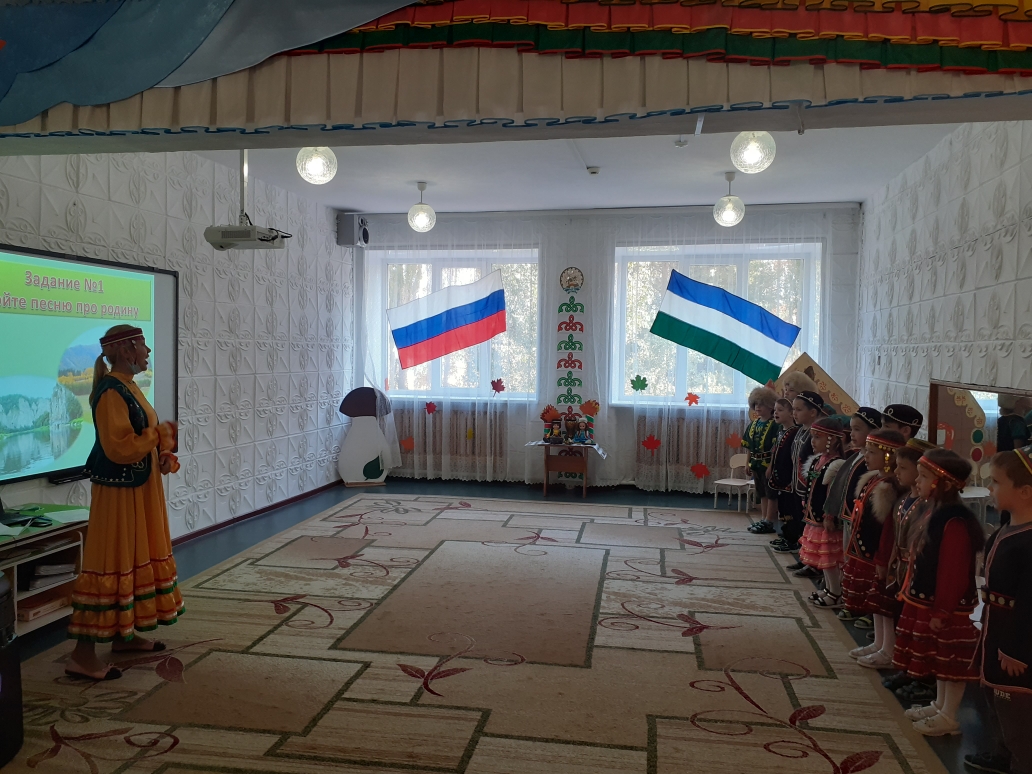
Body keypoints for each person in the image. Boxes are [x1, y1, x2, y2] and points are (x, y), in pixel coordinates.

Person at [65, 325, 184, 681]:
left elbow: (140, 438)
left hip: (139, 489)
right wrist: (158, 435)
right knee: (111, 561)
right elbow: (118, 447)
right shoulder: (110, 392)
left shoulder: (129, 386)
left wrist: (162, 454)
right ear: (125, 350)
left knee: (131, 558)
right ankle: (82, 656)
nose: (148, 352)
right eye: (143, 346)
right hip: (119, 495)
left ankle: (123, 637)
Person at [893, 448, 984, 737]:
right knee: (939, 659)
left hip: (947, 607)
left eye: (923, 476)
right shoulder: (934, 511)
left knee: (950, 661)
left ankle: (949, 715)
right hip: (931, 603)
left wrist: (942, 609)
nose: (916, 481)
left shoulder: (954, 521)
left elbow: (952, 571)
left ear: (942, 483)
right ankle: (940, 705)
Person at [969, 445, 1032, 774]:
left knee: (1017, 713)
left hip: (1015, 645)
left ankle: (1022, 762)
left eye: (996, 482)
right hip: (995, 631)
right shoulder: (1007, 529)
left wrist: (1016, 650)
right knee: (993, 696)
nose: (990, 488)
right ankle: (1002, 754)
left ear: (1024, 491)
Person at [840, 430, 906, 649]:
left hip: (875, 553)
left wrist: (881, 557)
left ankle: (886, 647)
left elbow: (885, 529)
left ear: (888, 455)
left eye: (871, 452)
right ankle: (879, 643)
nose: (866, 456)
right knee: (875, 602)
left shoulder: (890, 487)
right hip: (863, 550)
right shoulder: (873, 479)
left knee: (880, 600)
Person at [797, 415, 850, 600]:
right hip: (813, 517)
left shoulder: (837, 465)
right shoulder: (816, 460)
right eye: (812, 436)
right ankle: (828, 589)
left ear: (833, 440)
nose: (813, 441)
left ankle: (835, 591)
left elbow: (835, 495)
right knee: (822, 556)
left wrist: (830, 515)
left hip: (825, 520)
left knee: (830, 559)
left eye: (818, 437)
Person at [743, 386, 779, 535]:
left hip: (768, 465)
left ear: (770, 406)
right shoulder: (753, 424)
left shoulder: (775, 425)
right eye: (756, 404)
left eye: (762, 404)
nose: (758, 407)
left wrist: (771, 465)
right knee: (762, 493)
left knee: (771, 493)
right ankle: (763, 518)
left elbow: (776, 448)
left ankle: (770, 520)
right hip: (756, 464)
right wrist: (747, 463)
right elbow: (749, 447)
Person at [767, 398, 801, 552]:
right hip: (780, 477)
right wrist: (771, 466)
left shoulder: (794, 433)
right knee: (783, 508)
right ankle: (786, 535)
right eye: (775, 410)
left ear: (791, 413)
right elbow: (775, 451)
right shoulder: (781, 431)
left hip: (789, 480)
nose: (776, 413)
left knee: (790, 510)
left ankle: (792, 539)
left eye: (780, 410)